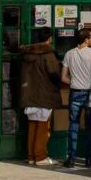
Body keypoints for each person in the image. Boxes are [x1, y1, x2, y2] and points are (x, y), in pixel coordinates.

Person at [61, 28, 91, 168]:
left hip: (74, 92)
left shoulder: (69, 54)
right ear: (86, 40)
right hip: (89, 94)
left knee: (73, 126)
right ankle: (88, 159)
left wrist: (74, 82)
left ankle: (71, 158)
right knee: (89, 127)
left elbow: (63, 77)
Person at [19, 27, 62, 166]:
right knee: (42, 126)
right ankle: (40, 156)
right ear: (49, 39)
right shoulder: (48, 54)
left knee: (32, 125)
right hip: (44, 94)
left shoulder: (26, 54)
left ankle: (31, 155)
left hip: (29, 94)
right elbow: (55, 74)